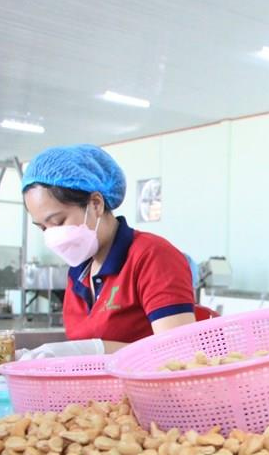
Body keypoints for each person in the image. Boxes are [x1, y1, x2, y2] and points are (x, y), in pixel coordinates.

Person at [20, 145, 196, 358]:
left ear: (95, 204)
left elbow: (179, 353)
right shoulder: (79, 273)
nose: (52, 236)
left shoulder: (151, 256)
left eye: (58, 222)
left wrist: (94, 350)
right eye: (43, 228)